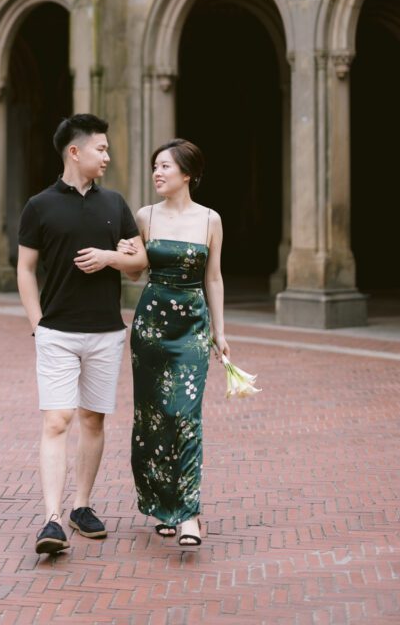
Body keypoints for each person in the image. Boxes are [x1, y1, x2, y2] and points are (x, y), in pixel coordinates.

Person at [17, 113, 147, 555]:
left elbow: (138, 266)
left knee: (93, 420)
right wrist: (37, 324)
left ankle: (82, 506)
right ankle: (51, 518)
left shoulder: (115, 205)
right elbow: (25, 268)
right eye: (101, 148)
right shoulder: (39, 206)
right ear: (75, 152)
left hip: (107, 333)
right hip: (56, 332)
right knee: (57, 420)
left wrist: (113, 258)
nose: (107, 155)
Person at [119, 138, 230, 547]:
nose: (157, 173)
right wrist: (123, 254)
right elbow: (134, 274)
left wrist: (220, 332)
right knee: (152, 418)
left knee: (185, 416)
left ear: (188, 174)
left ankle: (188, 514)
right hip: (150, 328)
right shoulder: (145, 216)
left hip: (192, 329)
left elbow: (213, 278)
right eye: (155, 166)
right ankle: (161, 505)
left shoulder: (210, 220)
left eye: (165, 166)